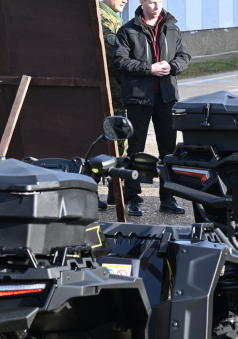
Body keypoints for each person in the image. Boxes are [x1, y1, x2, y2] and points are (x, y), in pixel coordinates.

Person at [114, 0, 191, 216]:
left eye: (159, 1)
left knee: (168, 150)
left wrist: (172, 66)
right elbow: (119, 61)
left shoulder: (172, 27)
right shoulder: (128, 29)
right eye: (151, 1)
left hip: (166, 98)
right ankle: (133, 198)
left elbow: (184, 57)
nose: (156, 5)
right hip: (138, 98)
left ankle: (168, 198)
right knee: (135, 149)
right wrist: (149, 69)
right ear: (142, 2)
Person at [100, 0, 128, 211]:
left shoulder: (114, 19)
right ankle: (101, 191)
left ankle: (114, 191)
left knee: (118, 142)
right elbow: (114, 61)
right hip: (109, 95)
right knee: (110, 142)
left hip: (116, 95)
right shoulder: (102, 19)